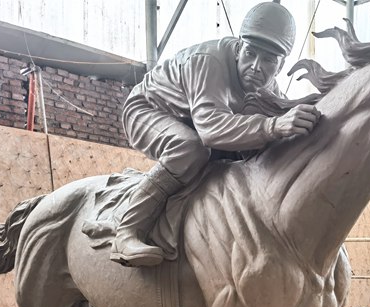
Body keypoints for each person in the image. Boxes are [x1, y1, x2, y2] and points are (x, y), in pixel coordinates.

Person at [111, 1, 321, 267]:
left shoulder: (269, 87)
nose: (256, 66)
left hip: (191, 122)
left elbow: (275, 138)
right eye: (250, 53)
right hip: (148, 109)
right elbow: (210, 129)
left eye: (268, 60)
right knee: (191, 149)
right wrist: (273, 126)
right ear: (238, 48)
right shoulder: (209, 62)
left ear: (279, 67)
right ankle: (128, 229)